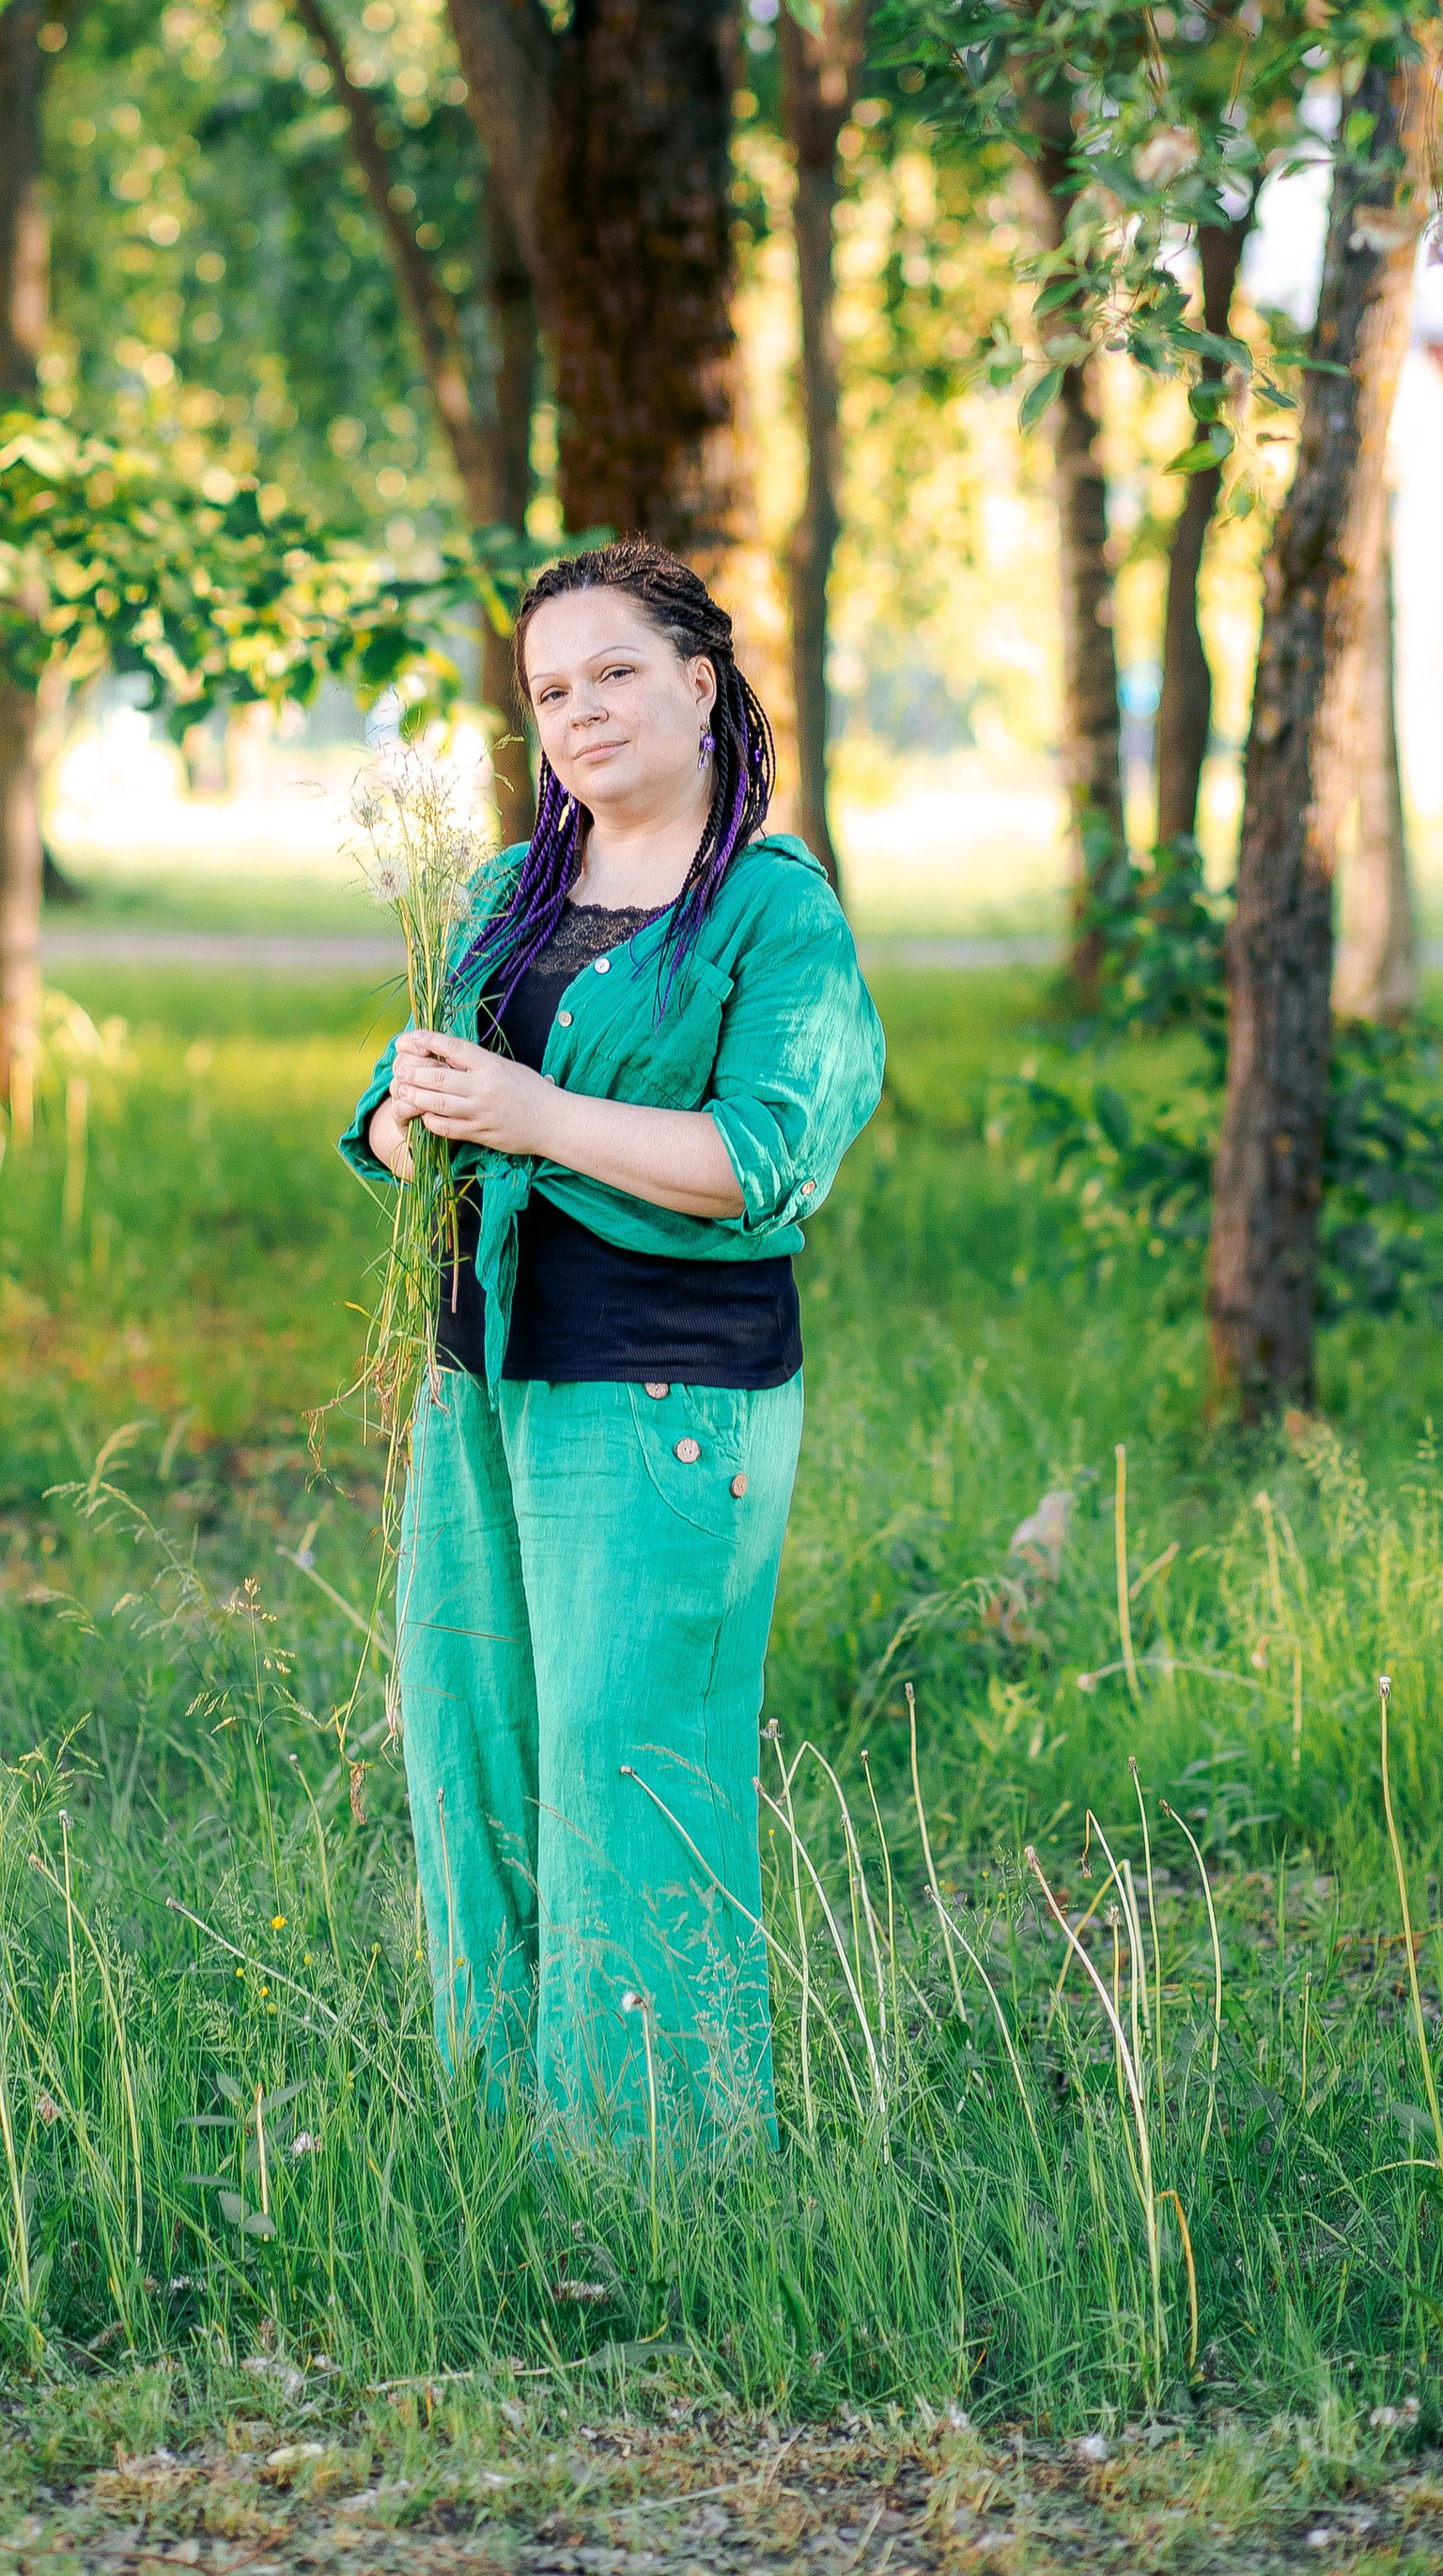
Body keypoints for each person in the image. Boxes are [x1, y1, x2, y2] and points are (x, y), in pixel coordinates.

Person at [340, 539, 884, 2144]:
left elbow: (762, 1159)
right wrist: (405, 1121)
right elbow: (393, 1116)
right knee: (481, 1743)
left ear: (701, 686)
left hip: (665, 1393)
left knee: (625, 1761)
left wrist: (529, 1115)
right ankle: (509, 2142)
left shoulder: (774, 911)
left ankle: (662, 2174)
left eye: (617, 673)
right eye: (551, 688)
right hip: (481, 1380)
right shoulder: (503, 896)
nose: (580, 710)